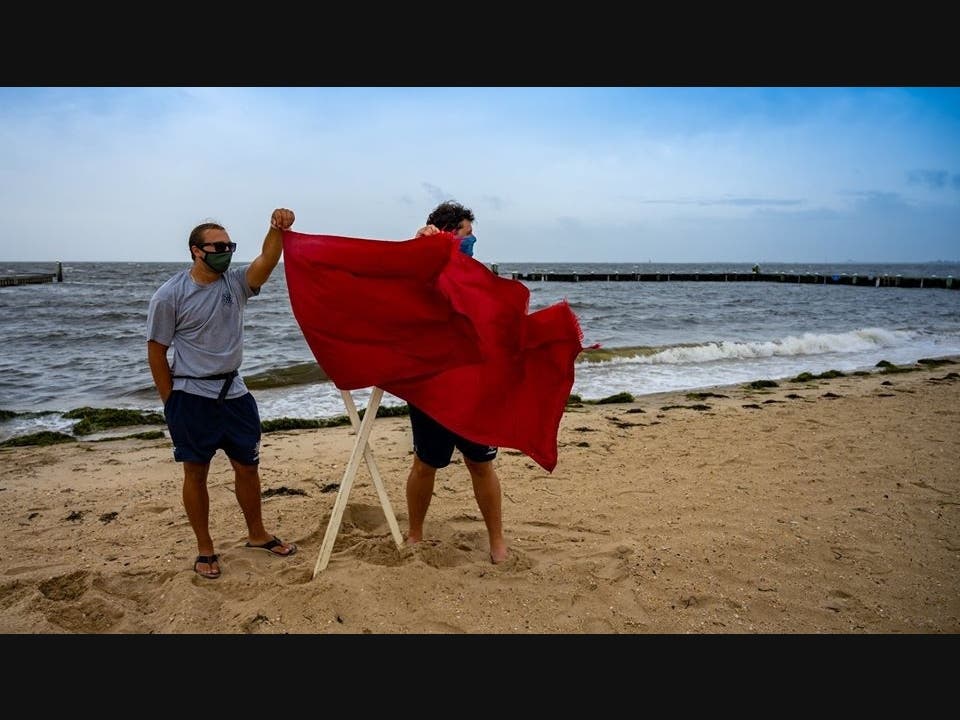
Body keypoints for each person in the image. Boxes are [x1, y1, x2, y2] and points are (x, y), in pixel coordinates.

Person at [146, 209, 299, 579]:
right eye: (219, 246)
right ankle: (205, 547)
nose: (227, 251)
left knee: (248, 467)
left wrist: (276, 228)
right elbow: (156, 350)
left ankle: (257, 534)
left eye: (230, 245)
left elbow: (267, 259)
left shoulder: (235, 285)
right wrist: (171, 402)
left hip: (235, 392)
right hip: (191, 396)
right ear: (196, 251)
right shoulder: (170, 295)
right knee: (195, 473)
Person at [406, 200, 508, 563]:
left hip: (472, 385)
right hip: (431, 385)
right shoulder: (423, 264)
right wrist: (422, 243)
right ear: (449, 234)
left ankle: (497, 541)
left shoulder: (476, 273)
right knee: (425, 463)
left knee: (480, 464)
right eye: (467, 233)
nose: (473, 239)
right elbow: (400, 279)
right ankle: (415, 535)